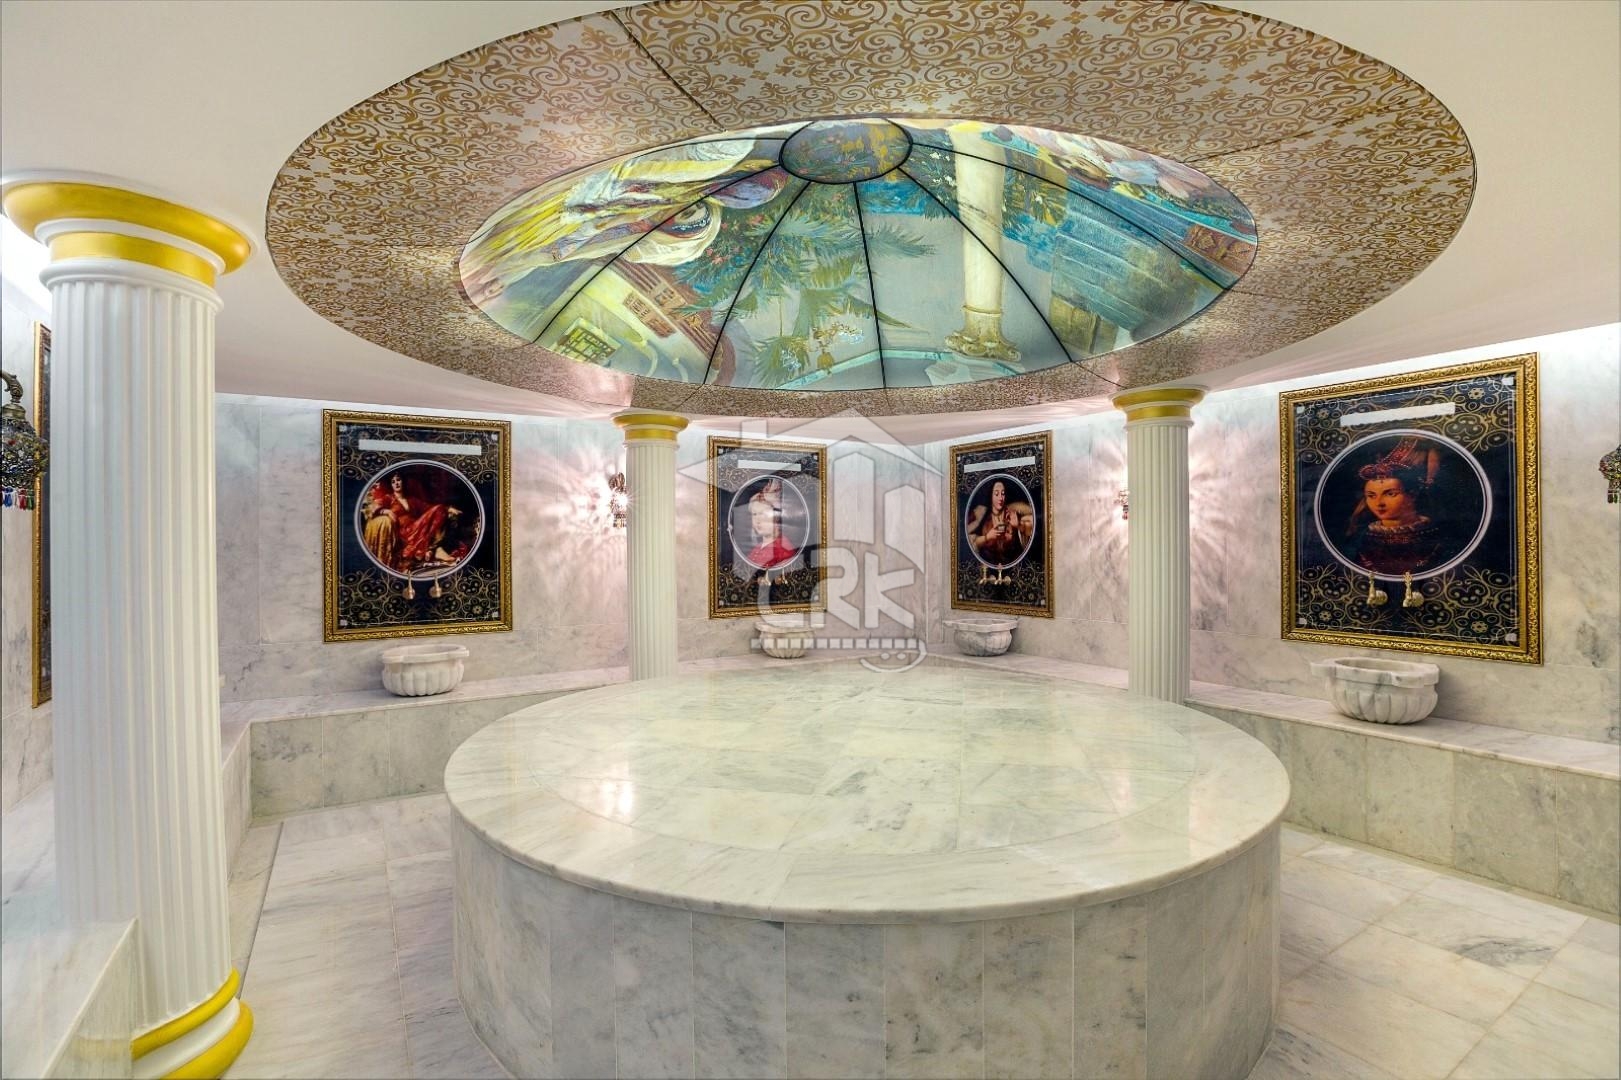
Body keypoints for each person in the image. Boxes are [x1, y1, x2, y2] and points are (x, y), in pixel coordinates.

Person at [1343, 436, 1446, 575]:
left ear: (1413, 494)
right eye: (1371, 495)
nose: (1379, 503)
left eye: (1390, 494)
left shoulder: (1438, 536)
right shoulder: (1358, 540)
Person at [966, 478, 1034, 566]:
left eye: (1003, 494)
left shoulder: (1013, 512)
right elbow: (968, 543)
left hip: (1013, 567)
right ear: (991, 495)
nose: (1000, 498)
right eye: (996, 494)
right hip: (987, 567)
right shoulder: (980, 513)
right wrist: (987, 537)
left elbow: (1032, 529)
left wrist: (1018, 526)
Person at [744, 478, 800, 569]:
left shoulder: (783, 550)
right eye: (754, 514)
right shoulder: (758, 547)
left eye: (763, 514)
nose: (757, 520)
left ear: (776, 517)